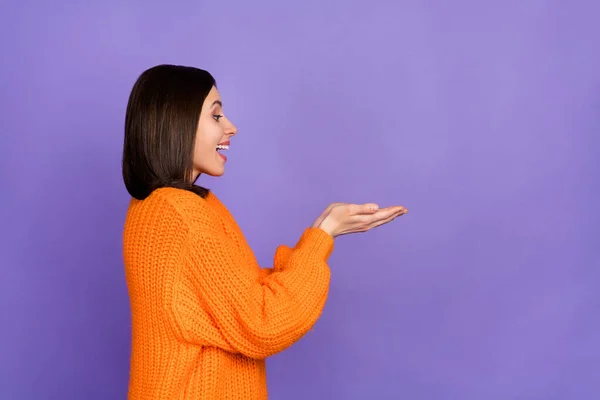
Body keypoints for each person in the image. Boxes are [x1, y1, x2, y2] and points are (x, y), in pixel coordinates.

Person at [121, 64, 407, 399]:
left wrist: (319, 233)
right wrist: (324, 235)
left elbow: (236, 297)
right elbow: (261, 322)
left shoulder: (159, 208)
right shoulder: (179, 215)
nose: (231, 127)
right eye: (216, 116)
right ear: (177, 123)